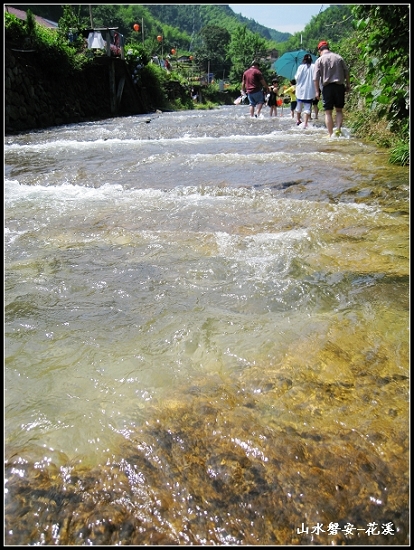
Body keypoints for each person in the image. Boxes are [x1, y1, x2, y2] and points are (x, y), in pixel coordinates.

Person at [313, 40, 351, 137]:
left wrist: (317, 91)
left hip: (327, 88)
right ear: (328, 48)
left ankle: (330, 134)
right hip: (339, 86)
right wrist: (348, 85)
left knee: (328, 112)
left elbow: (316, 78)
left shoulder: (319, 60)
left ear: (319, 50)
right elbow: (346, 72)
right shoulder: (339, 57)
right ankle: (338, 130)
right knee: (339, 110)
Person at [294, 54, 315, 129]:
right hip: (309, 90)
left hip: (300, 89)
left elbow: (296, 77)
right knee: (307, 107)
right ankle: (306, 123)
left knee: (299, 106)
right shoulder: (314, 66)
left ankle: (298, 120)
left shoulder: (300, 67)